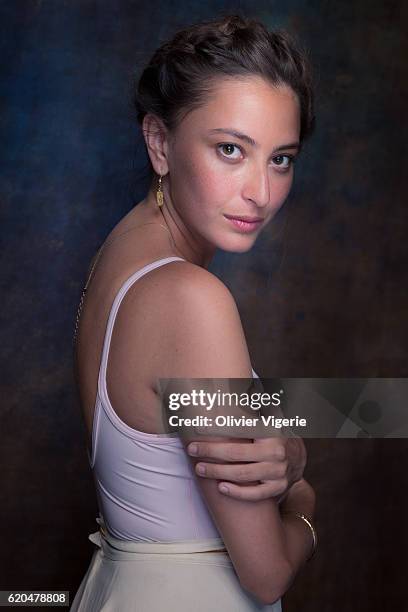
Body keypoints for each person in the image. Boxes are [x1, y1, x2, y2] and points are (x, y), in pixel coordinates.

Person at [71, 13, 316, 611]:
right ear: (160, 142)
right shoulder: (191, 299)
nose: (260, 191)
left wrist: (291, 446)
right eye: (231, 150)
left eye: (280, 158)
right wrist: (304, 501)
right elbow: (267, 573)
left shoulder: (122, 251)